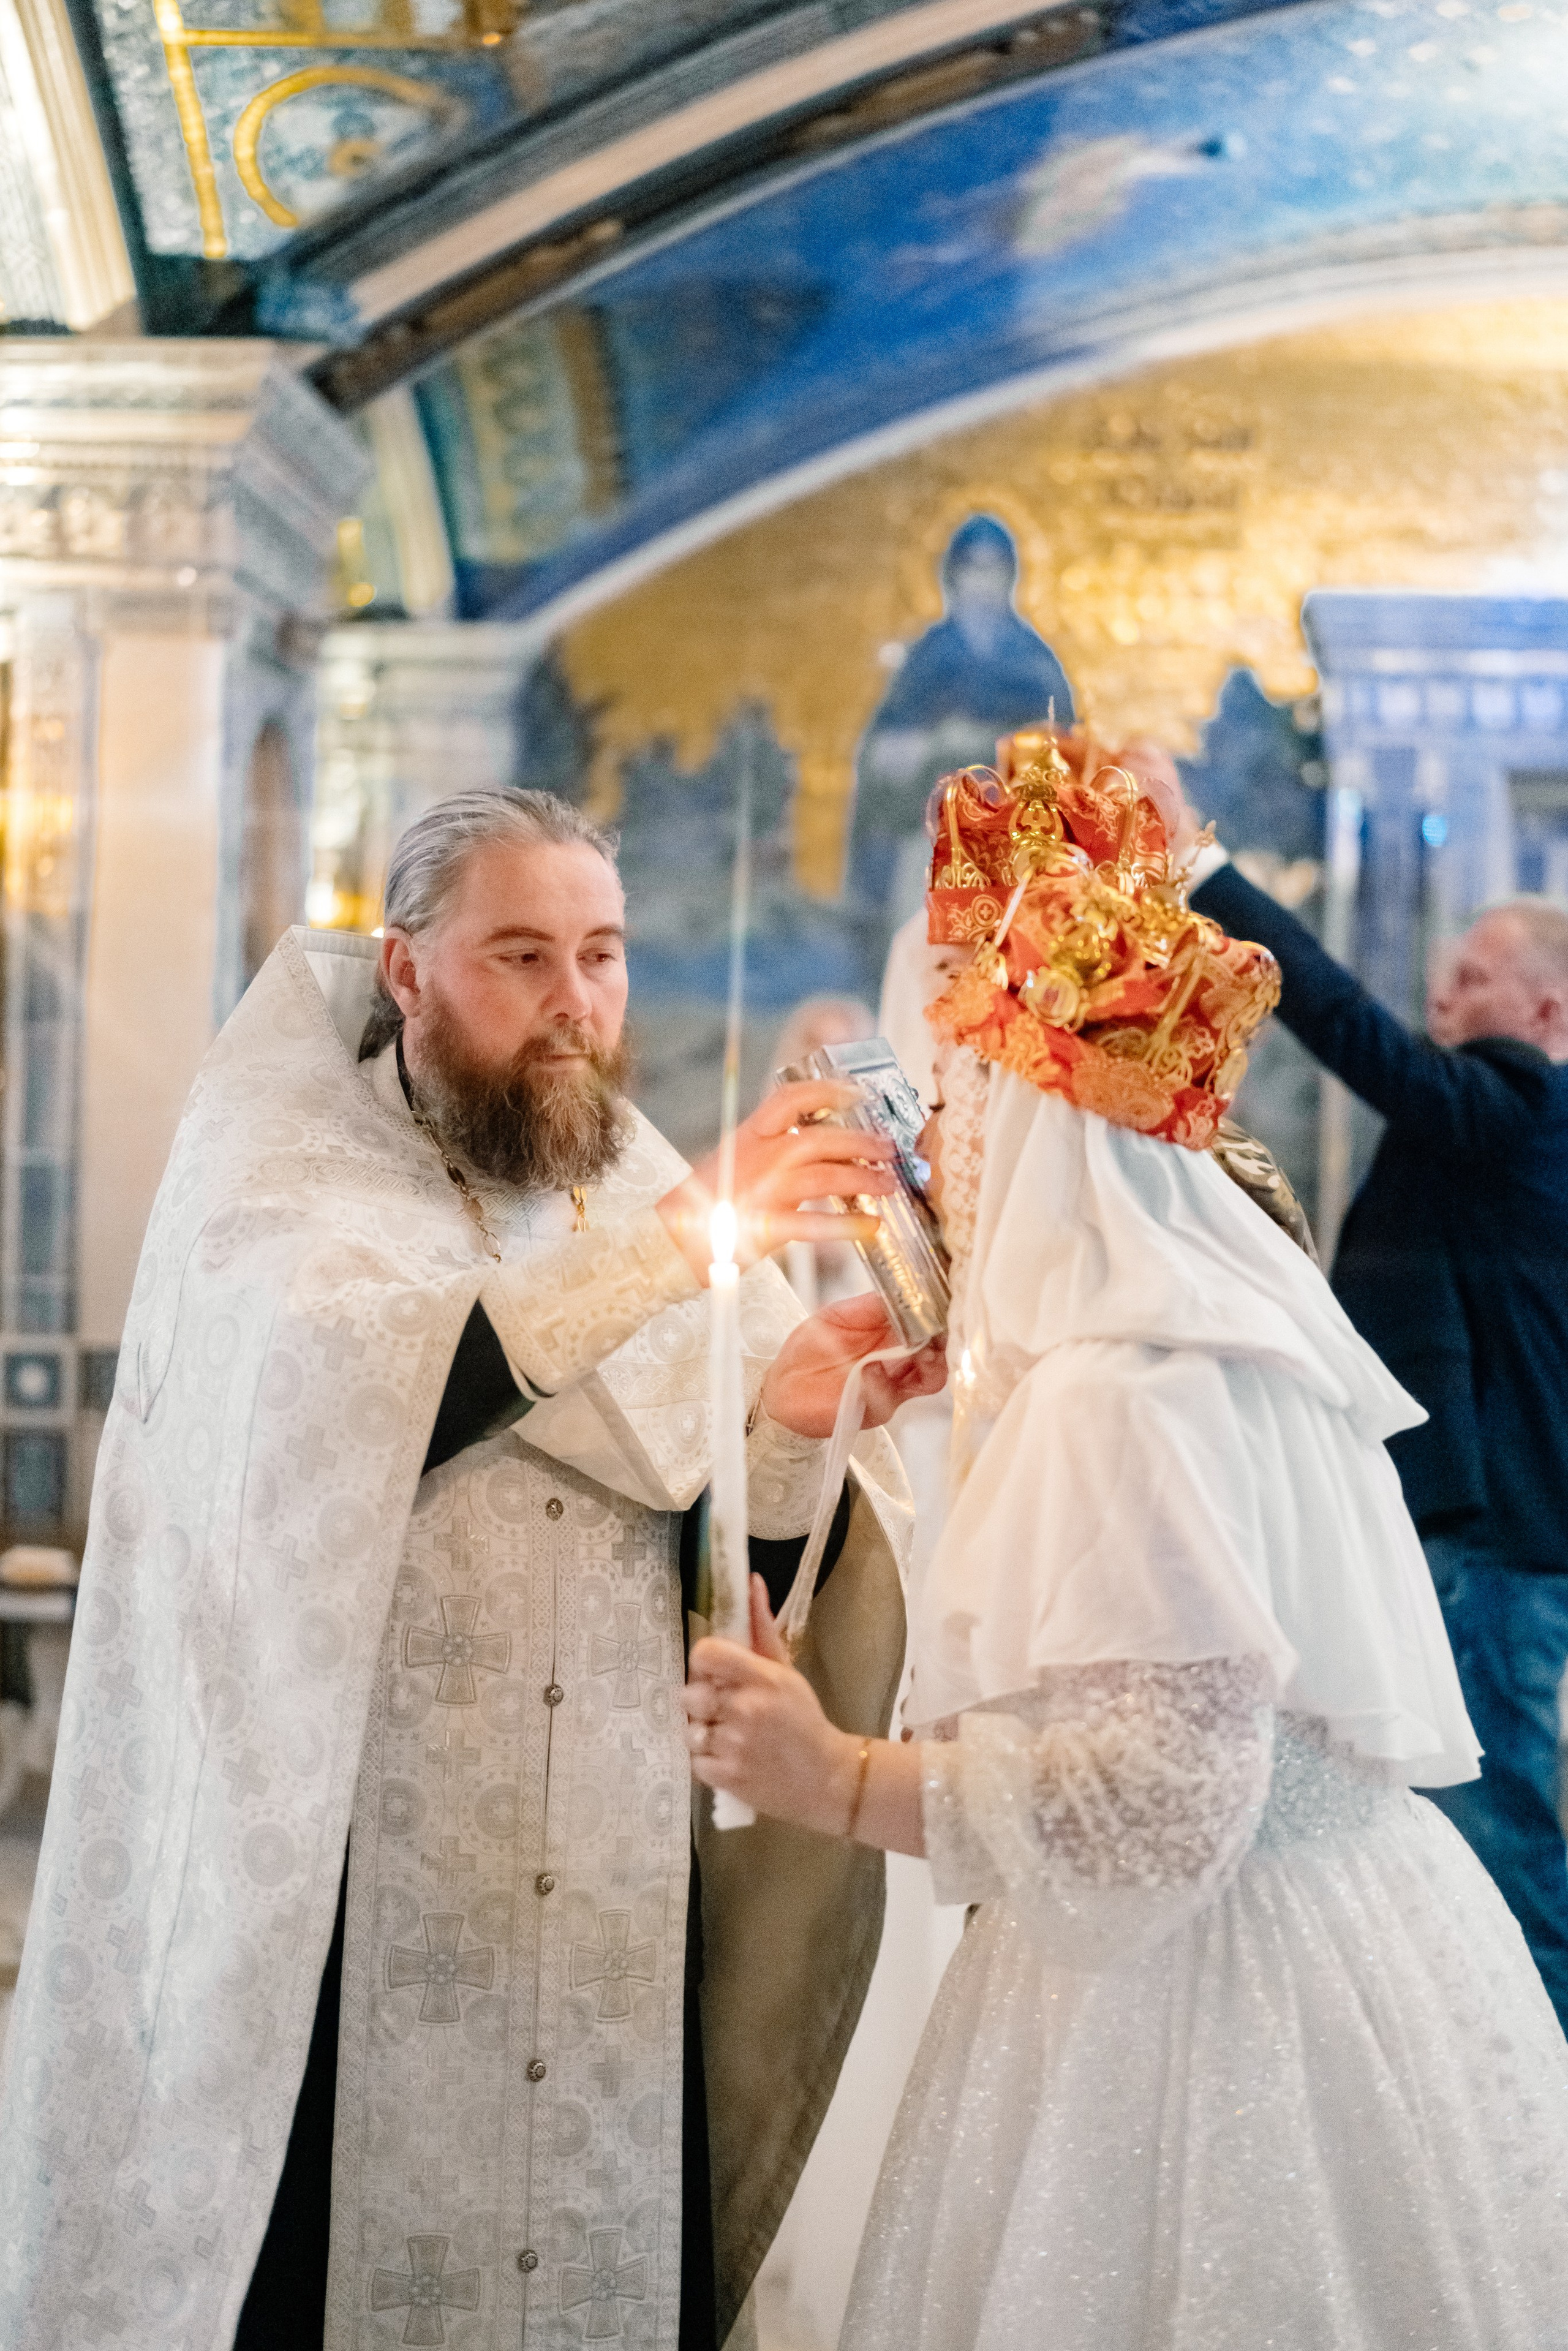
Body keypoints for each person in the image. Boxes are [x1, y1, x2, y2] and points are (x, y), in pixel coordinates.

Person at [0, 788, 946, 2351]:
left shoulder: (626, 1174)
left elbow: (743, 1565)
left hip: (617, 1907)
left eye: (602, 955)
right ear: (405, 970)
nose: (576, 1005)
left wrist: (783, 1426)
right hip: (355, 1889)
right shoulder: (279, 1174)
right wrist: (693, 1231)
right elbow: (358, 1399)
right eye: (521, 955)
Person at [683, 738, 1568, 2349]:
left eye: (951, 1090)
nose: (931, 1138)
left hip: (1198, 2005)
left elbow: (1160, 1803)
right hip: (1361, 1947)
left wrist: (832, 1777)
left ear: (1028, 1105)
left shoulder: (1119, 1386)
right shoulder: (1227, 1312)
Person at [1184, 823, 1568, 2032]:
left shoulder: (1518, 1103)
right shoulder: (1489, 1126)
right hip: (1482, 1530)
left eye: (1469, 976)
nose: (1438, 994)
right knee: (1473, 1814)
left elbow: (1354, 1031)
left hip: (1496, 1538)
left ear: (1547, 1004)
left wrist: (1204, 872)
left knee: (1498, 1830)